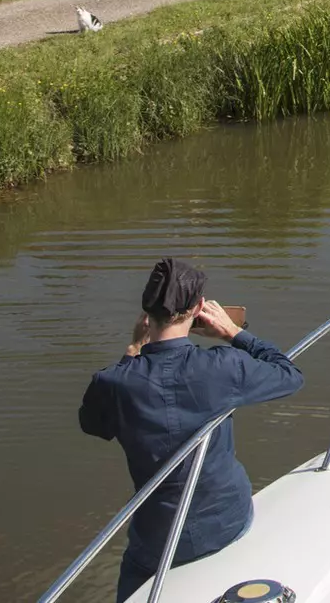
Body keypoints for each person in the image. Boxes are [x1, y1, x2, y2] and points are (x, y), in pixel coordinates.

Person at [79, 257, 303, 601]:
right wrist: (235, 333)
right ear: (199, 308)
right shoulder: (223, 366)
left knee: (134, 578)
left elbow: (91, 424)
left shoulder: (114, 383)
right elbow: (290, 376)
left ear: (145, 313)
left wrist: (132, 351)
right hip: (227, 521)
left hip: (158, 536)